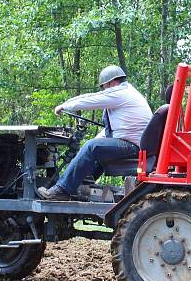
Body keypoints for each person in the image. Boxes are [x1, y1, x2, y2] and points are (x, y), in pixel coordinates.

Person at [37, 65, 153, 200]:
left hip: (132, 146)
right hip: (133, 144)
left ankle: (60, 190)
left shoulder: (120, 93)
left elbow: (91, 99)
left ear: (111, 83)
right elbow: (110, 131)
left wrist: (64, 106)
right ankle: (83, 184)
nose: (104, 91)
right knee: (93, 146)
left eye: (104, 87)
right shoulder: (127, 93)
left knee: (92, 147)